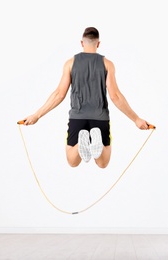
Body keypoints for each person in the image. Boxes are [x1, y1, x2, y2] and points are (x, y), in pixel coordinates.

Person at [21, 27, 155, 168]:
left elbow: (59, 94)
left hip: (77, 117)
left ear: (82, 43)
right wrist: (136, 119)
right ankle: (97, 143)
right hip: (100, 117)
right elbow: (115, 96)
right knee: (103, 163)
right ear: (98, 44)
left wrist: (37, 115)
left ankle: (80, 143)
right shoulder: (107, 64)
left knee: (72, 161)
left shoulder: (70, 63)